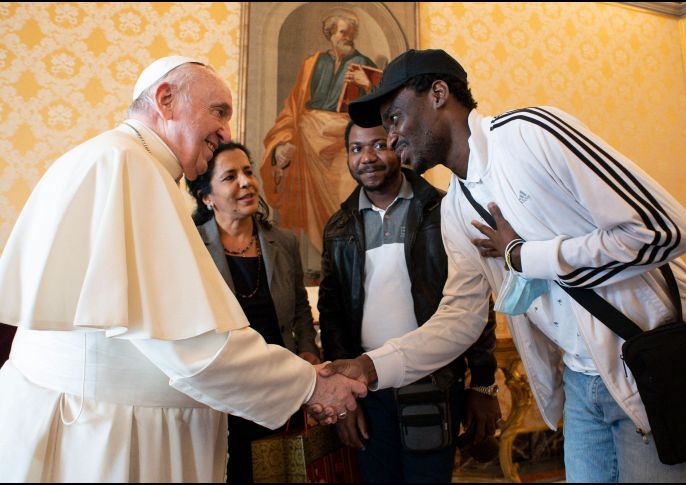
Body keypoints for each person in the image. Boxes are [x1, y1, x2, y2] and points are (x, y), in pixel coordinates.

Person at [323, 49, 686, 483]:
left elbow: (665, 230)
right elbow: (459, 319)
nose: (390, 138)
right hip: (581, 382)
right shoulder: (456, 209)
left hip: (659, 366)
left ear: (438, 94)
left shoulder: (529, 135)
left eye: (394, 118)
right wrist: (370, 368)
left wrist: (523, 255)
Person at [0, 55, 365, 483]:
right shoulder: (130, 167)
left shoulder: (114, 158)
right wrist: (310, 385)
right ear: (166, 99)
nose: (227, 131)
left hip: (89, 416)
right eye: (218, 111)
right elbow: (194, 349)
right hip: (105, 435)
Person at [318, 121, 501, 482]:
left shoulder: (441, 210)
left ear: (398, 148)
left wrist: (482, 382)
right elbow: (332, 312)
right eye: (356, 149)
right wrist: (343, 398)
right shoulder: (339, 225)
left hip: (431, 381)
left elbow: (474, 303)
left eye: (378, 145)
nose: (367, 158)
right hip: (366, 386)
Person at [187, 141, 323, 483]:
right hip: (223, 393)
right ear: (207, 197)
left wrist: (308, 349)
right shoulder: (191, 247)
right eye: (230, 176)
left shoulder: (284, 242)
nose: (246, 182)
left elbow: (299, 311)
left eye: (248, 171)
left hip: (278, 388)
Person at [260, 10, 378, 273]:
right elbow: (293, 109)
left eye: (350, 32)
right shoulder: (312, 63)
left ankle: (349, 258)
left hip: (346, 137)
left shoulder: (363, 64)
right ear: (330, 35)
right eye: (341, 32)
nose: (347, 37)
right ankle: (321, 264)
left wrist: (367, 85)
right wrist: (282, 143)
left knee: (345, 196)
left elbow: (378, 113)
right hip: (309, 137)